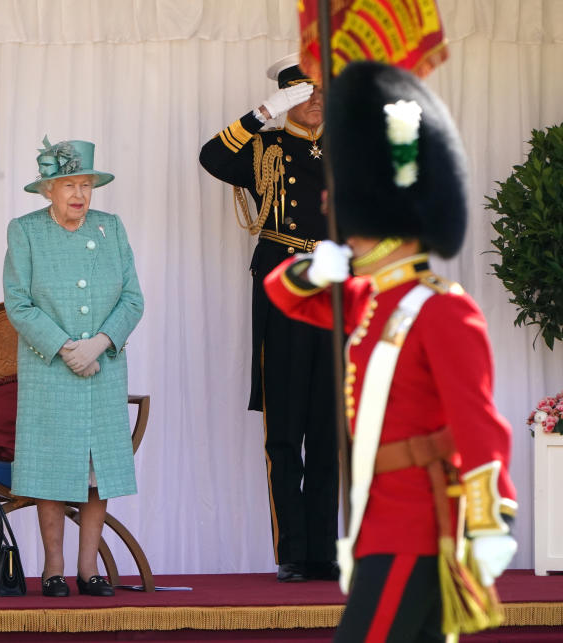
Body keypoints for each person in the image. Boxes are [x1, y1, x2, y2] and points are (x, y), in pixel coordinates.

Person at [264, 62, 517, 641]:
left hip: (420, 524)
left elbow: (478, 426)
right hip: (377, 520)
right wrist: (312, 267)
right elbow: (282, 293)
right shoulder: (368, 299)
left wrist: (490, 517)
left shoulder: (442, 309)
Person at [198, 54, 338, 582]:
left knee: (329, 426)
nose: (315, 100)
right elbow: (212, 157)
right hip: (281, 281)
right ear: (287, 98)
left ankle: (324, 551)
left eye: (322, 92)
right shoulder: (266, 146)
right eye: (303, 92)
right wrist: (265, 112)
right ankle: (293, 553)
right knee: (285, 425)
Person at [3, 137, 144, 597]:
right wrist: (66, 347)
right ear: (48, 190)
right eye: (69, 185)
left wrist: (101, 343)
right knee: (51, 467)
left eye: (86, 184)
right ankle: (53, 568)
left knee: (96, 470)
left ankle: (90, 570)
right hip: (50, 370)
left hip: (102, 370)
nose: (79, 194)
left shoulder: (111, 228)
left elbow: (132, 298)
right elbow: (18, 305)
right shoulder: (25, 231)